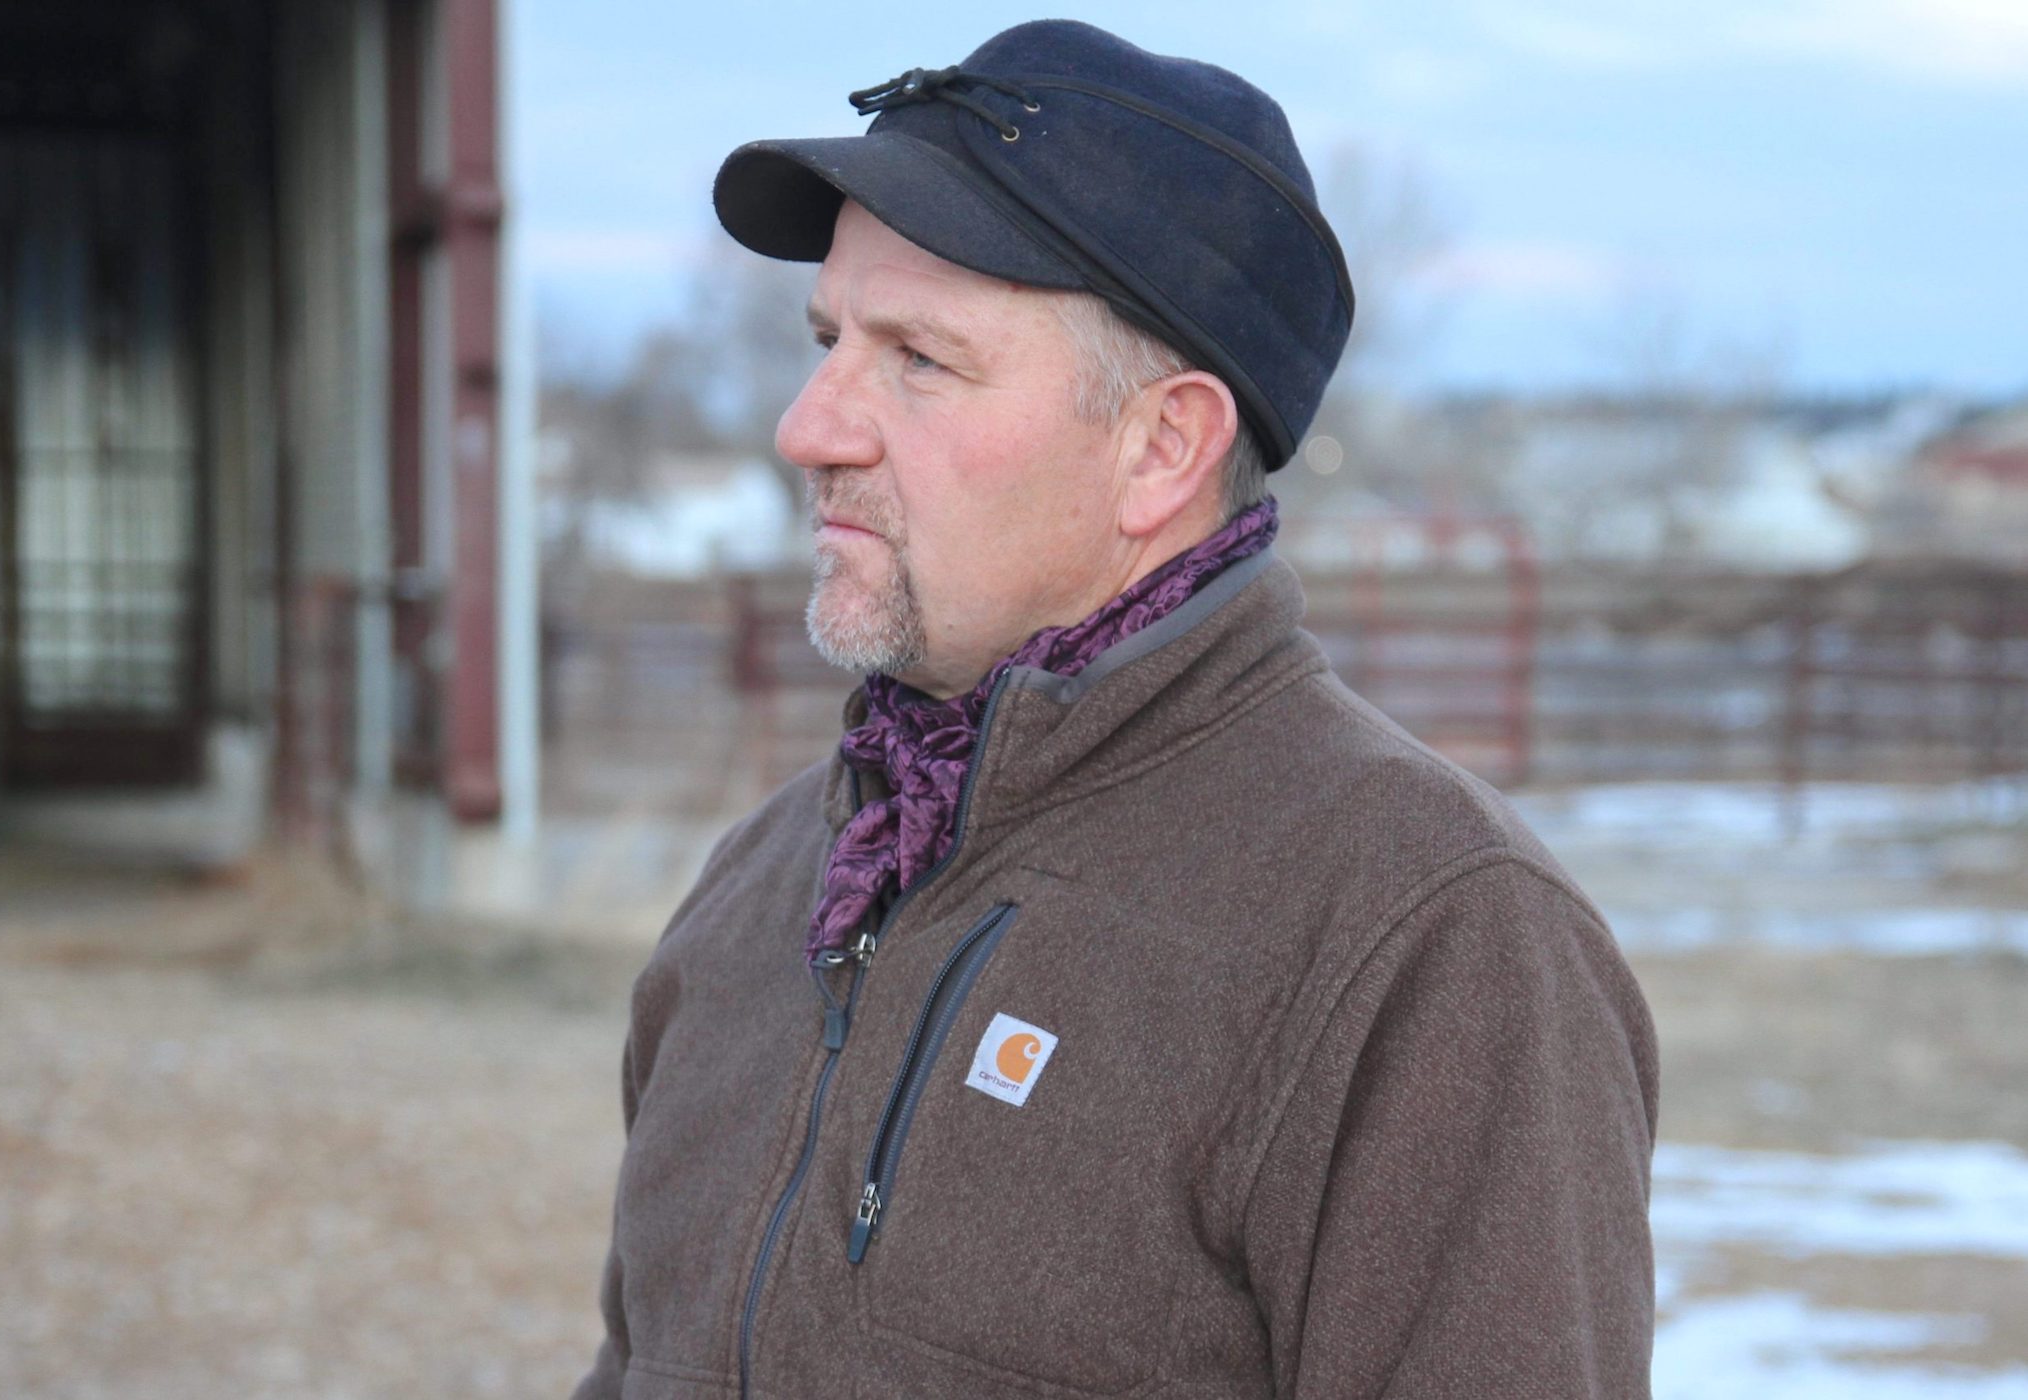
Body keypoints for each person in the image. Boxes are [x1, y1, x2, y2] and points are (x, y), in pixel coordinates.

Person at [571, 20, 1656, 1400]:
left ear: (1162, 447)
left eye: (919, 359)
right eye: (829, 338)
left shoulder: (1431, 941)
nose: (809, 426)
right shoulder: (768, 881)